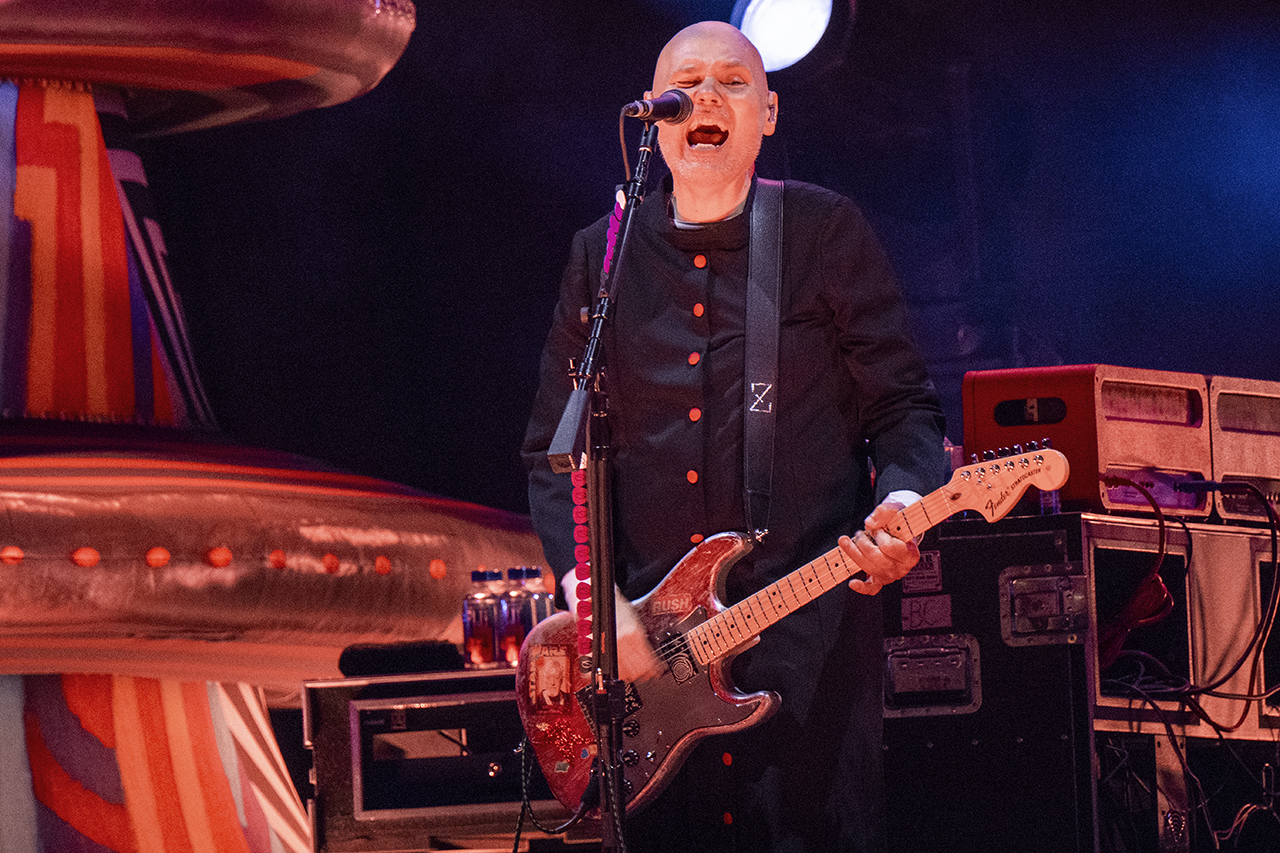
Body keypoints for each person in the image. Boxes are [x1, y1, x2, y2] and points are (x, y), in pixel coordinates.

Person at [522, 21, 946, 853]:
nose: (706, 96)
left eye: (733, 81)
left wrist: (903, 502)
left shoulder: (823, 233)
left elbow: (903, 406)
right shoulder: (602, 257)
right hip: (645, 674)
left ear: (770, 114)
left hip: (804, 648)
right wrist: (598, 604)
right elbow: (552, 448)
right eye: (685, 85)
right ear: (655, 117)